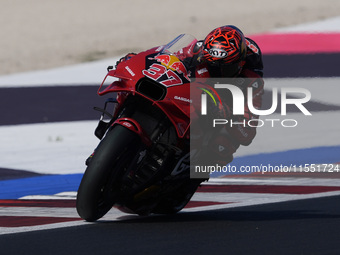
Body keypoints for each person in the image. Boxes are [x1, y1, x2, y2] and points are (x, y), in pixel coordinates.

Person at [187, 25, 264, 166]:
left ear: (241, 63)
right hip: (188, 94)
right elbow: (166, 58)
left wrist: (228, 116)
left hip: (218, 112)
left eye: (226, 68)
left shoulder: (251, 80)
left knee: (221, 149)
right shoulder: (197, 50)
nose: (217, 74)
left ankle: (191, 167)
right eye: (212, 66)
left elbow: (247, 133)